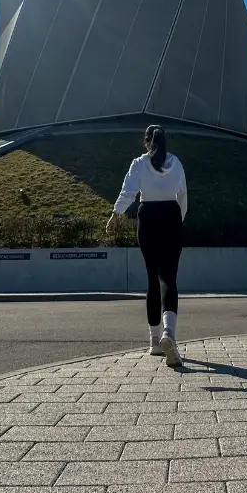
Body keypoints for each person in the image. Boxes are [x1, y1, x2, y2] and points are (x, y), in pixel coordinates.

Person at [106, 125, 187, 368]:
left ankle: (153, 341)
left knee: (152, 278)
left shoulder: (139, 163)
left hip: (148, 218)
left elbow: (128, 192)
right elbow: (183, 195)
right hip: (172, 216)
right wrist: (178, 220)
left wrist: (115, 214)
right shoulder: (177, 163)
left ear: (146, 142)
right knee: (169, 279)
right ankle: (168, 334)